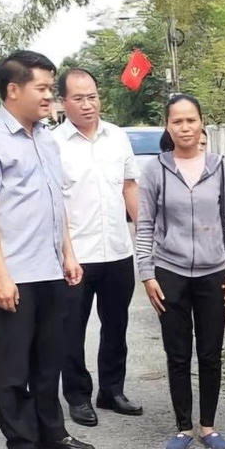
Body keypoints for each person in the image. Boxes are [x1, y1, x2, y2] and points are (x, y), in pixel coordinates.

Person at [0, 50, 94, 449]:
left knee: (47, 360)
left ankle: (51, 432)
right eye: (41, 88)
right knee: (13, 366)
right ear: (13, 90)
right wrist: (0, 276)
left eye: (50, 88)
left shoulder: (46, 136)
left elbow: (57, 201)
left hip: (50, 269)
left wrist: (68, 254)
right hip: (12, 275)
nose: (48, 96)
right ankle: (21, 446)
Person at [136, 94, 225, 449]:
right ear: (167, 126)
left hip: (214, 273)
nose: (185, 128)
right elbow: (145, 225)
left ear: (201, 123)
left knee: (211, 353)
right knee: (178, 354)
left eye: (191, 120)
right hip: (170, 273)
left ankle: (208, 426)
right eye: (177, 121)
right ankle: (183, 427)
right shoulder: (155, 170)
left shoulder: (220, 167)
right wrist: (147, 272)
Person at [54, 67, 143, 427]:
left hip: (118, 251)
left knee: (116, 325)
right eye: (78, 98)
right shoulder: (53, 143)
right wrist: (66, 253)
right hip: (76, 256)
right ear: (63, 102)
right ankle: (77, 396)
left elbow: (129, 187)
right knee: (70, 331)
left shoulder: (117, 137)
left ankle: (112, 390)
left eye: (92, 96)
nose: (88, 104)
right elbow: (55, 204)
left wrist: (145, 234)